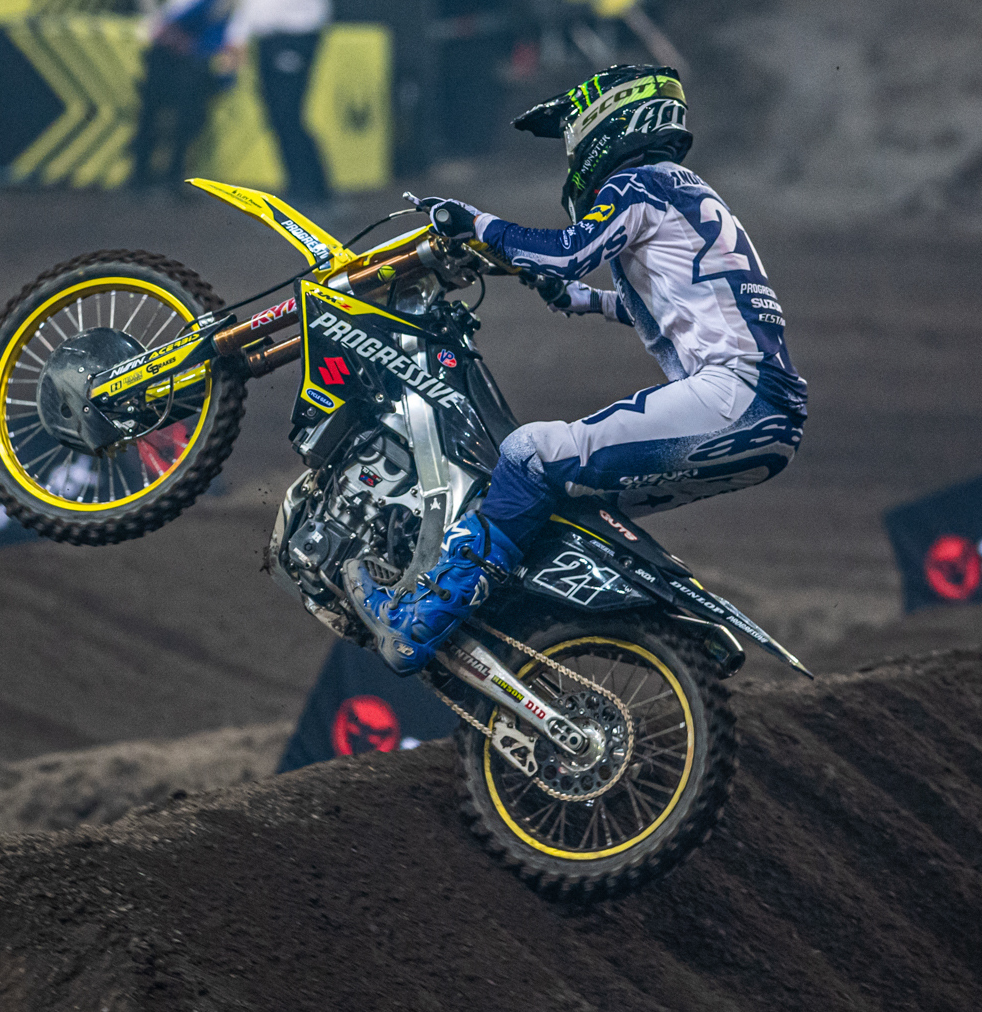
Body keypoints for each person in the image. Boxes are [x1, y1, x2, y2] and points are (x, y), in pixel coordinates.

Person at [348, 65, 808, 673]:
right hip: (765, 420)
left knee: (528, 454)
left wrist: (474, 222)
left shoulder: (637, 183)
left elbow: (568, 252)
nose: (570, 152)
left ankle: (420, 622)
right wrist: (584, 301)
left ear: (609, 121)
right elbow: (676, 305)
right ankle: (512, 632)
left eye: (572, 134)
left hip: (731, 401)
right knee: (556, 505)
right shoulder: (684, 192)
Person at [220, 0, 331, 204]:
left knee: (288, 115)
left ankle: (313, 191)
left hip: (294, 37)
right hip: (269, 41)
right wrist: (237, 38)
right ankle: (301, 188)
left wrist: (238, 36)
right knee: (279, 116)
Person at [129, 0, 235, 192]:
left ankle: (172, 179)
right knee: (153, 119)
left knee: (185, 124)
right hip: (170, 60)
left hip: (193, 63)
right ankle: (142, 177)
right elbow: (163, 28)